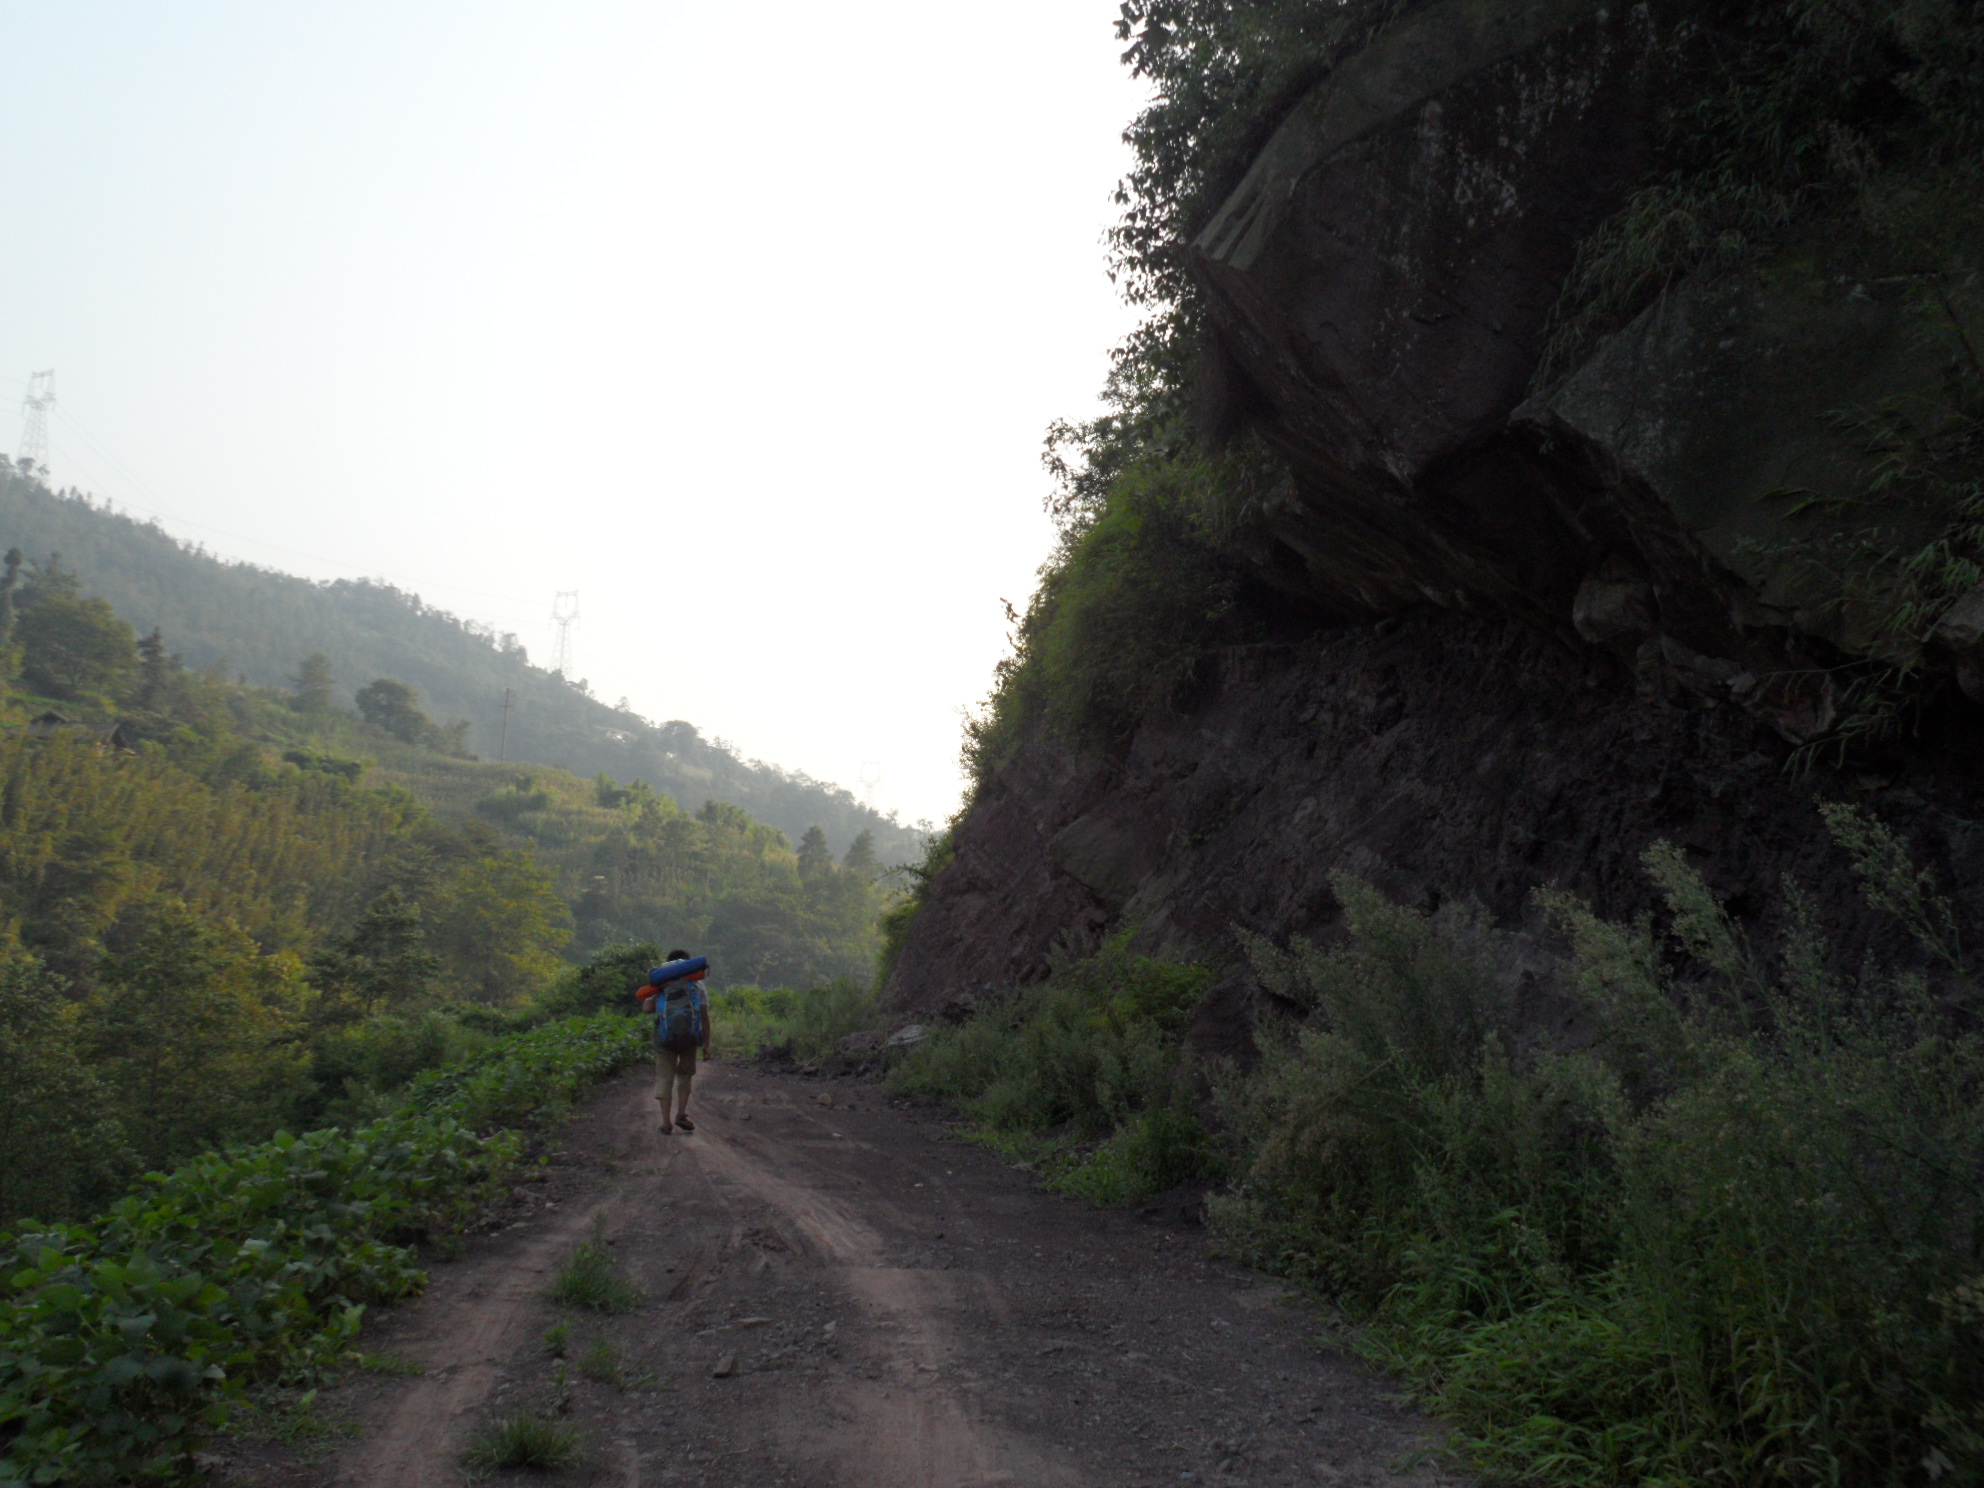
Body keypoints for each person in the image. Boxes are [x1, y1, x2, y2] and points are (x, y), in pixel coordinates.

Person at [640, 949, 711, 1134]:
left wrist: (659, 997)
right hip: (690, 1038)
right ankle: (681, 1113)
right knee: (685, 1076)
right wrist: (707, 1045)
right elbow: (704, 1016)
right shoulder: (697, 984)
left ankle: (665, 1123)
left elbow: (647, 1008)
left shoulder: (661, 983)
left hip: (665, 1039)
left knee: (665, 1078)